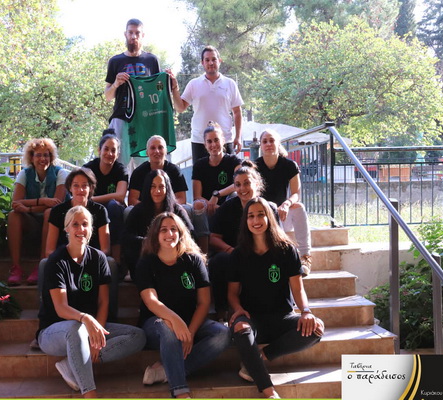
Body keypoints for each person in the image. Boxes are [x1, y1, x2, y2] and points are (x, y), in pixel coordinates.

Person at [37, 206, 146, 398]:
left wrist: (97, 338)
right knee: (75, 328)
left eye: (85, 224)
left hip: (90, 328)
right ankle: (90, 393)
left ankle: (73, 363)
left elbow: (103, 302)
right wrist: (86, 318)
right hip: (54, 331)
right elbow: (61, 308)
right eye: (75, 224)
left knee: (138, 336)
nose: (80, 229)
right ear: (66, 229)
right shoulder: (56, 261)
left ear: (91, 229)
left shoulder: (98, 258)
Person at [228, 197, 324, 398]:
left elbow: (298, 288)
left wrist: (306, 311)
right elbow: (232, 293)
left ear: (269, 218)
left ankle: (259, 357)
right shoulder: (238, 254)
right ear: (245, 221)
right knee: (240, 328)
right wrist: (238, 309)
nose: (256, 220)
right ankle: (269, 390)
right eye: (251, 216)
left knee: (316, 328)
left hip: (282, 318)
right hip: (252, 319)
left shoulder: (287, 250)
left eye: (261, 215)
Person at [136, 212, 230, 398]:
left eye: (174, 229)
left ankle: (167, 370)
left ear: (181, 233)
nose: (169, 234)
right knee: (168, 329)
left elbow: (204, 302)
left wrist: (191, 332)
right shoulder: (146, 262)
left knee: (223, 334)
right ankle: (180, 390)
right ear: (155, 234)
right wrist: (175, 320)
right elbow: (151, 301)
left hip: (190, 322)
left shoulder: (193, 260)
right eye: (164, 230)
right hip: (156, 324)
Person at [45, 168, 120, 320]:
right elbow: (49, 249)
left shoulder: (100, 210)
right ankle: (48, 316)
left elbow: (105, 248)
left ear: (91, 188)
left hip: (92, 260)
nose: (80, 190)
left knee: (110, 263)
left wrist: (89, 259)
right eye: (76, 185)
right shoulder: (58, 211)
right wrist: (68, 260)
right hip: (64, 259)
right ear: (70, 188)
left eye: (84, 185)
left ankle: (109, 316)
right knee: (44, 264)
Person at [208, 160, 278, 320]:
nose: (242, 189)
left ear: (257, 184)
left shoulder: (269, 208)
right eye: (238, 185)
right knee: (218, 261)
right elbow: (213, 238)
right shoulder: (227, 208)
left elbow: (276, 238)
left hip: (263, 253)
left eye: (247, 183)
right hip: (234, 255)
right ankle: (222, 312)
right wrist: (231, 251)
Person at [7, 138, 67, 285]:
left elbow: (57, 204)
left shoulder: (61, 173)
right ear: (31, 158)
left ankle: (41, 265)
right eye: (38, 155)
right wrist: (43, 201)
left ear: (51, 157)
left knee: (49, 212)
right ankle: (16, 268)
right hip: (32, 221)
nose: (42, 159)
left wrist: (28, 208)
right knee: (13, 216)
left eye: (46, 155)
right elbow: (16, 203)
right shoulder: (25, 174)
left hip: (56, 223)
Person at [171, 46, 244, 163]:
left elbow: (237, 112)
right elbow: (180, 108)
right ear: (202, 63)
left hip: (225, 140)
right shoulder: (193, 84)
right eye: (207, 60)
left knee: (228, 175)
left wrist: (238, 137)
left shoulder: (230, 84)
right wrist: (175, 88)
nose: (211, 63)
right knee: (201, 175)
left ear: (219, 61)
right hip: (200, 141)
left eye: (214, 59)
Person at [256, 129, 312, 276]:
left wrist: (286, 204)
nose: (268, 144)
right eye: (265, 141)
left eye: (272, 140)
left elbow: (296, 193)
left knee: (298, 207)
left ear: (278, 143)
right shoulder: (254, 166)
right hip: (262, 216)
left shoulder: (289, 165)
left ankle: (305, 257)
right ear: (260, 145)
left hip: (282, 215)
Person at [104, 18, 161, 163]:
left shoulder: (152, 60)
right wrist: (116, 84)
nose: (134, 36)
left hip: (145, 120)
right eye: (130, 32)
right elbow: (108, 96)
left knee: (146, 166)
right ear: (125, 34)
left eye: (137, 33)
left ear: (143, 35)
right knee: (118, 165)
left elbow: (159, 92)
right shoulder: (115, 61)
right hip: (120, 118)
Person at [122, 169, 193, 280]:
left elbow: (190, 235)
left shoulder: (177, 210)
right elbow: (127, 237)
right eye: (153, 187)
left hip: (172, 258)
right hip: (146, 258)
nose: (157, 191)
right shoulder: (138, 210)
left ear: (167, 188)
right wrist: (151, 241)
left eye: (161, 187)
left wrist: (170, 243)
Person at [83, 134, 128, 264]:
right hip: (91, 208)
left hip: (112, 209)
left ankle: (117, 260)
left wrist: (93, 199)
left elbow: (120, 196)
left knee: (114, 206)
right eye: (106, 149)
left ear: (118, 154)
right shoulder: (88, 169)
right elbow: (82, 196)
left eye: (113, 150)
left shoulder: (121, 170)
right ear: (99, 150)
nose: (109, 153)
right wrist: (91, 201)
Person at [128, 135, 188, 206]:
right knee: (128, 210)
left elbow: (182, 199)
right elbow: (132, 200)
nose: (156, 151)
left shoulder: (175, 171)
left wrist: (164, 208)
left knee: (186, 208)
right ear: (147, 152)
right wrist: (150, 208)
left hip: (170, 209)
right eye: (153, 148)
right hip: (145, 210)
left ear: (166, 151)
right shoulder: (138, 172)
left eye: (160, 147)